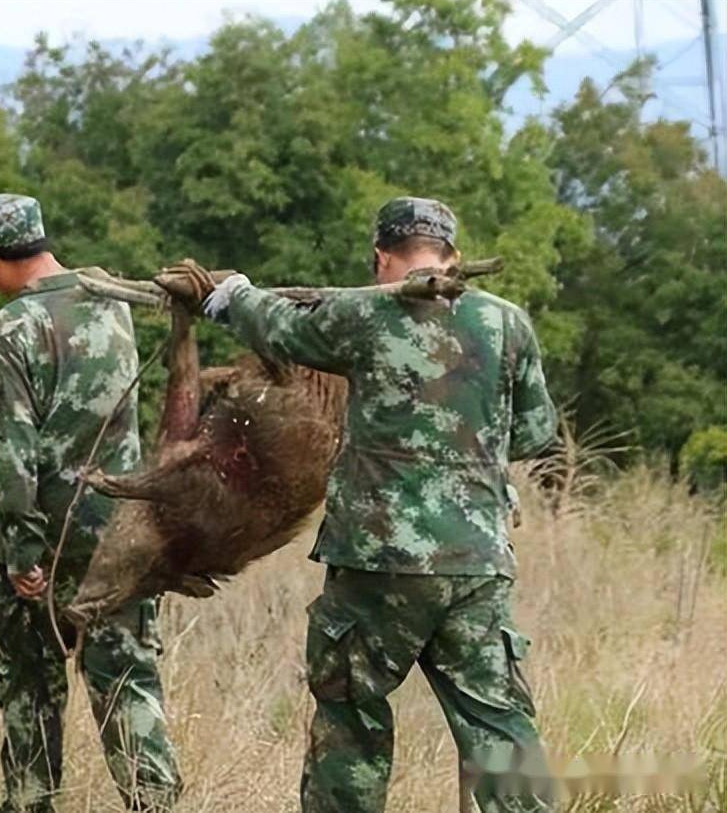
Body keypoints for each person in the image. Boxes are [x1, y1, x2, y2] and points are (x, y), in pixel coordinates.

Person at [163, 197, 557, 813]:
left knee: (351, 722)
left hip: (377, 566)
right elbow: (535, 432)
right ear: (451, 255)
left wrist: (232, 293)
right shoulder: (508, 323)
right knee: (500, 730)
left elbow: (283, 329)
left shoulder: (365, 311)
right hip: (476, 566)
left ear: (381, 257)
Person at [0, 193, 182, 813]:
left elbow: (12, 453)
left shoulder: (10, 328)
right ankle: (155, 802)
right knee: (126, 679)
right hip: (123, 527)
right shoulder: (113, 304)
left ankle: (31, 801)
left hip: (50, 531)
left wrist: (22, 550)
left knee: (31, 682)